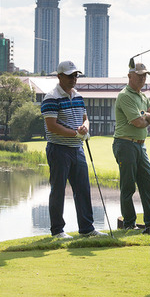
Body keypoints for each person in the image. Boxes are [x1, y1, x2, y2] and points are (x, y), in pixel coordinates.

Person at [40, 60, 107, 239]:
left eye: (75, 75)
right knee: (58, 190)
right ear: (59, 76)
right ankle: (57, 231)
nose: (73, 79)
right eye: (70, 76)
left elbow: (85, 118)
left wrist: (85, 128)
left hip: (77, 148)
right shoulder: (51, 97)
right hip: (58, 149)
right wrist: (75, 134)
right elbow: (52, 126)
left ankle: (87, 228)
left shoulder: (77, 96)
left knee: (83, 188)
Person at [112, 61, 150, 235]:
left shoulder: (143, 97)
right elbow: (139, 123)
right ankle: (129, 223)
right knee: (128, 186)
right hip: (125, 144)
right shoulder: (125, 95)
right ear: (130, 76)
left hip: (140, 145)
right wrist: (148, 117)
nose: (142, 79)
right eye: (139, 75)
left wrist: (146, 114)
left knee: (148, 183)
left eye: (144, 75)